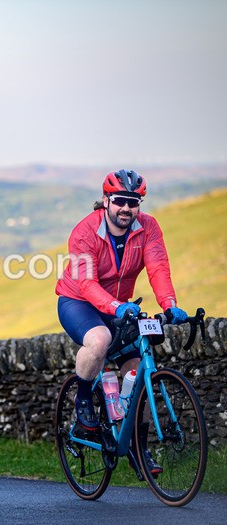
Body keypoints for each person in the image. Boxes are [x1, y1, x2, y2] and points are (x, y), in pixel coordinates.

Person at [55, 169, 189, 477]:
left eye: (133, 202)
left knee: (137, 373)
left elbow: (158, 267)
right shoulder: (84, 232)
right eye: (119, 201)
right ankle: (84, 399)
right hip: (79, 302)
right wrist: (116, 307)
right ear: (106, 201)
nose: (126, 208)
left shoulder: (149, 228)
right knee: (99, 340)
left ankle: (138, 449)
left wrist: (169, 305)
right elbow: (87, 283)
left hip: (120, 308)